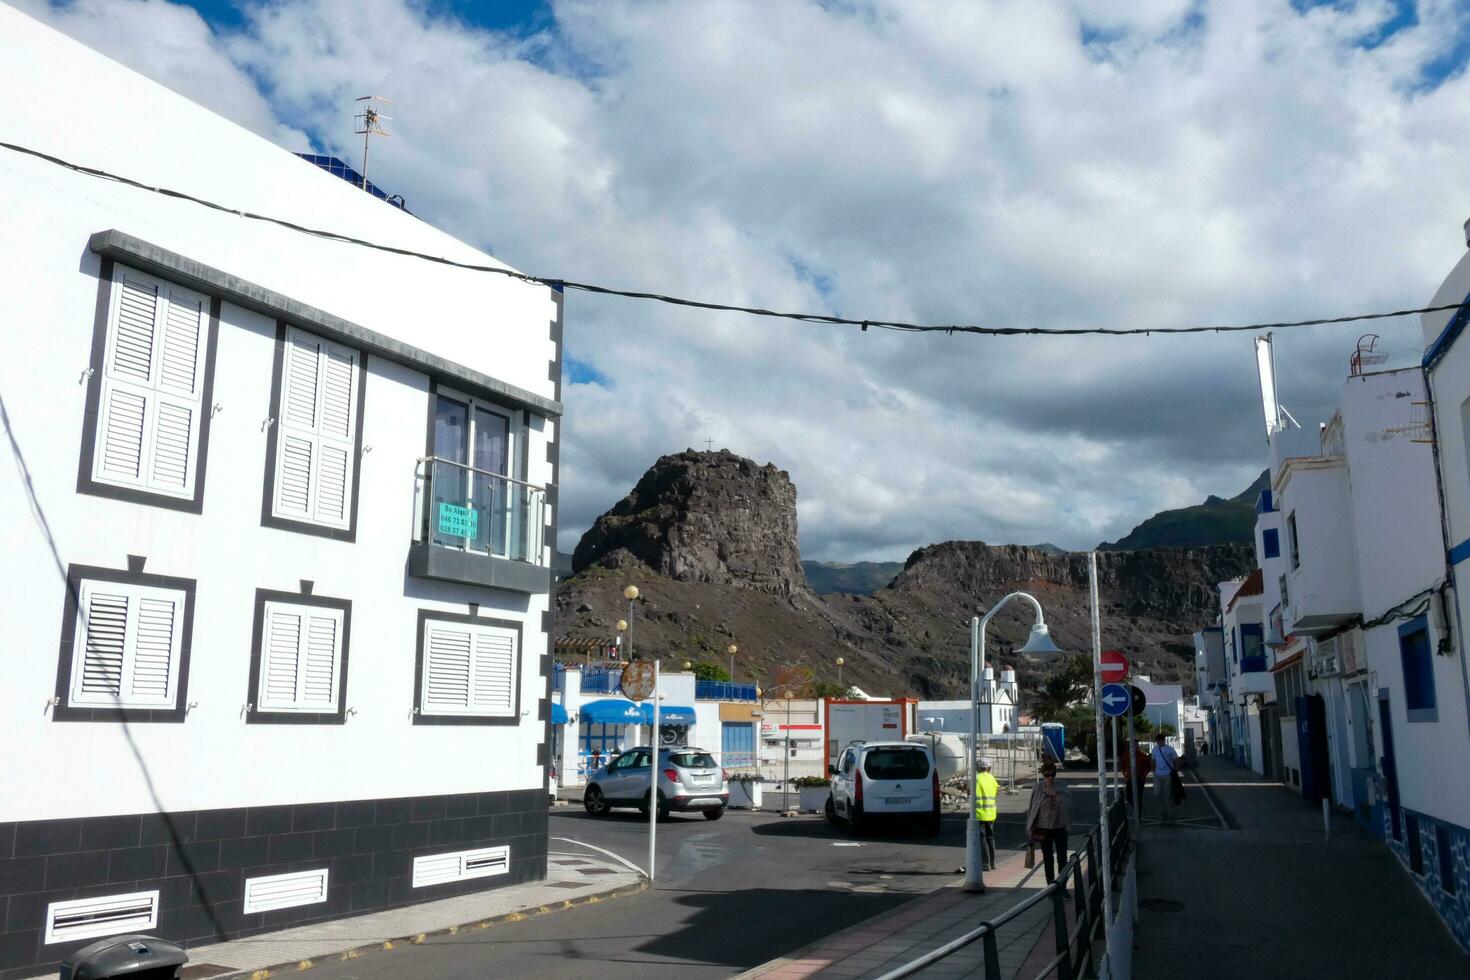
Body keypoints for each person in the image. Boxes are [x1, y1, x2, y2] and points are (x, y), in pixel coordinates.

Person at [1026, 762, 1070, 884]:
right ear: (1043, 775)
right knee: (1048, 858)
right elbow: (1032, 808)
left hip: (1059, 827)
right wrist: (1030, 828)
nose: (1050, 778)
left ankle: (1062, 885)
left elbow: (1068, 805)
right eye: (1047, 775)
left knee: (1062, 858)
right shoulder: (1038, 787)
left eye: (1053, 775)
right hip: (1043, 828)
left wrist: (1054, 794)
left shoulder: (1062, 786)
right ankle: (1050, 885)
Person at [974, 758, 1000, 871]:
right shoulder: (992, 778)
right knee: (991, 838)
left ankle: (985, 864)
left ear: (978, 767)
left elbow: (973, 794)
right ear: (989, 768)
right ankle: (993, 863)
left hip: (980, 813)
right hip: (991, 813)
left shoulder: (977, 778)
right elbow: (996, 792)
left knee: (982, 839)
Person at [1151, 732, 1180, 824]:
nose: (1159, 742)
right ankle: (1163, 811)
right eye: (1157, 741)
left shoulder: (1170, 749)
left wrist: (1175, 770)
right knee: (1157, 794)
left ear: (1163, 740)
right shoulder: (1155, 750)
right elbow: (1153, 760)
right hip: (1157, 775)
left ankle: (1170, 815)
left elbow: (1176, 760)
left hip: (1168, 774)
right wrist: (1153, 771)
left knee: (1168, 796)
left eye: (1160, 741)